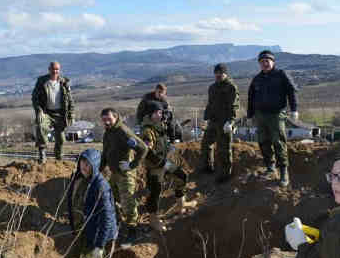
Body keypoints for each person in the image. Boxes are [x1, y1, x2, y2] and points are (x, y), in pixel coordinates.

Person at [54, 148, 118, 258]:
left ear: (94, 166)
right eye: (82, 162)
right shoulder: (79, 179)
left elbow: (107, 218)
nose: (84, 166)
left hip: (98, 236)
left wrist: (100, 246)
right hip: (84, 232)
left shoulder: (100, 186)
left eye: (88, 164)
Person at [141, 101, 196, 232]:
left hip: (165, 162)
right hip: (155, 166)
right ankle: (153, 220)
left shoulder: (160, 126)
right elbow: (147, 153)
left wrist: (169, 146)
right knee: (155, 192)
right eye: (158, 113)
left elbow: (165, 139)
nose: (161, 115)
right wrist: (162, 163)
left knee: (181, 176)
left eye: (161, 112)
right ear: (151, 114)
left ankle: (181, 205)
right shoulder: (148, 131)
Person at [247, 50, 298, 186]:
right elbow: (251, 98)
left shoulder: (281, 75)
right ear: (259, 64)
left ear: (273, 62)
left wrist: (294, 109)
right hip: (260, 115)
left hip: (276, 115)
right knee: (263, 142)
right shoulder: (257, 79)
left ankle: (283, 172)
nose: (265, 63)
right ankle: (270, 167)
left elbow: (292, 91)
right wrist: (250, 115)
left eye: (267, 61)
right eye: (262, 61)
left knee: (278, 143)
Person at [100, 108, 147, 247]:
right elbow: (105, 153)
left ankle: (133, 232)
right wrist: (99, 169)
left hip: (125, 174)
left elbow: (143, 148)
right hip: (114, 173)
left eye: (109, 119)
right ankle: (118, 225)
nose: (106, 122)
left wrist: (132, 165)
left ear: (116, 117)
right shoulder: (108, 133)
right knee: (110, 198)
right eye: (104, 119)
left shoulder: (123, 131)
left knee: (128, 202)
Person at [200, 63, 240, 183]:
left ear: (225, 74)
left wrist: (231, 122)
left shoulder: (231, 87)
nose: (218, 75)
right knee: (206, 144)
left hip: (224, 122)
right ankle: (208, 167)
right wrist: (205, 117)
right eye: (216, 73)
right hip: (213, 121)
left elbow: (235, 105)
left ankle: (225, 174)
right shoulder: (212, 87)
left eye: (220, 73)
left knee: (224, 148)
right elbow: (210, 104)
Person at [32, 61, 74, 163]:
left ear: (59, 70)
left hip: (60, 113)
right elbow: (34, 98)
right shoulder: (42, 81)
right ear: (49, 69)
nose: (55, 71)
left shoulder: (64, 83)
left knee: (61, 138)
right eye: (53, 69)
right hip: (46, 112)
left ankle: (59, 156)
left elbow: (70, 100)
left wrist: (71, 115)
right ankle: (42, 154)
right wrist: (39, 111)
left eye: (57, 69)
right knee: (41, 126)